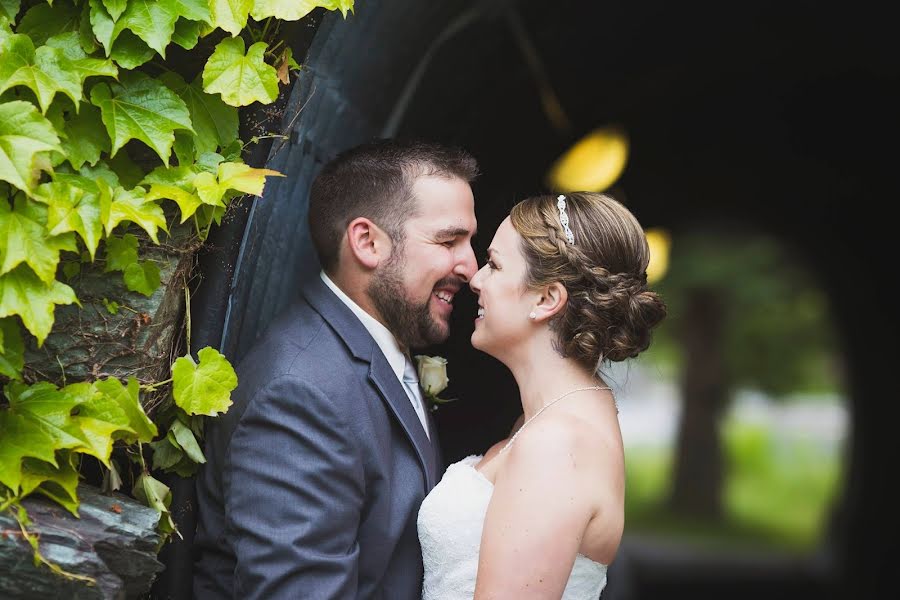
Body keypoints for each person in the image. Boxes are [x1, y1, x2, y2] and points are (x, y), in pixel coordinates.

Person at [193, 138, 479, 599]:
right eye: (449, 240)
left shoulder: (375, 348)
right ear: (367, 242)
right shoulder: (300, 393)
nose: (471, 266)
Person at [417, 192, 667, 599]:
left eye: (495, 265)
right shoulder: (550, 420)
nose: (476, 280)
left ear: (547, 299)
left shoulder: (558, 444)